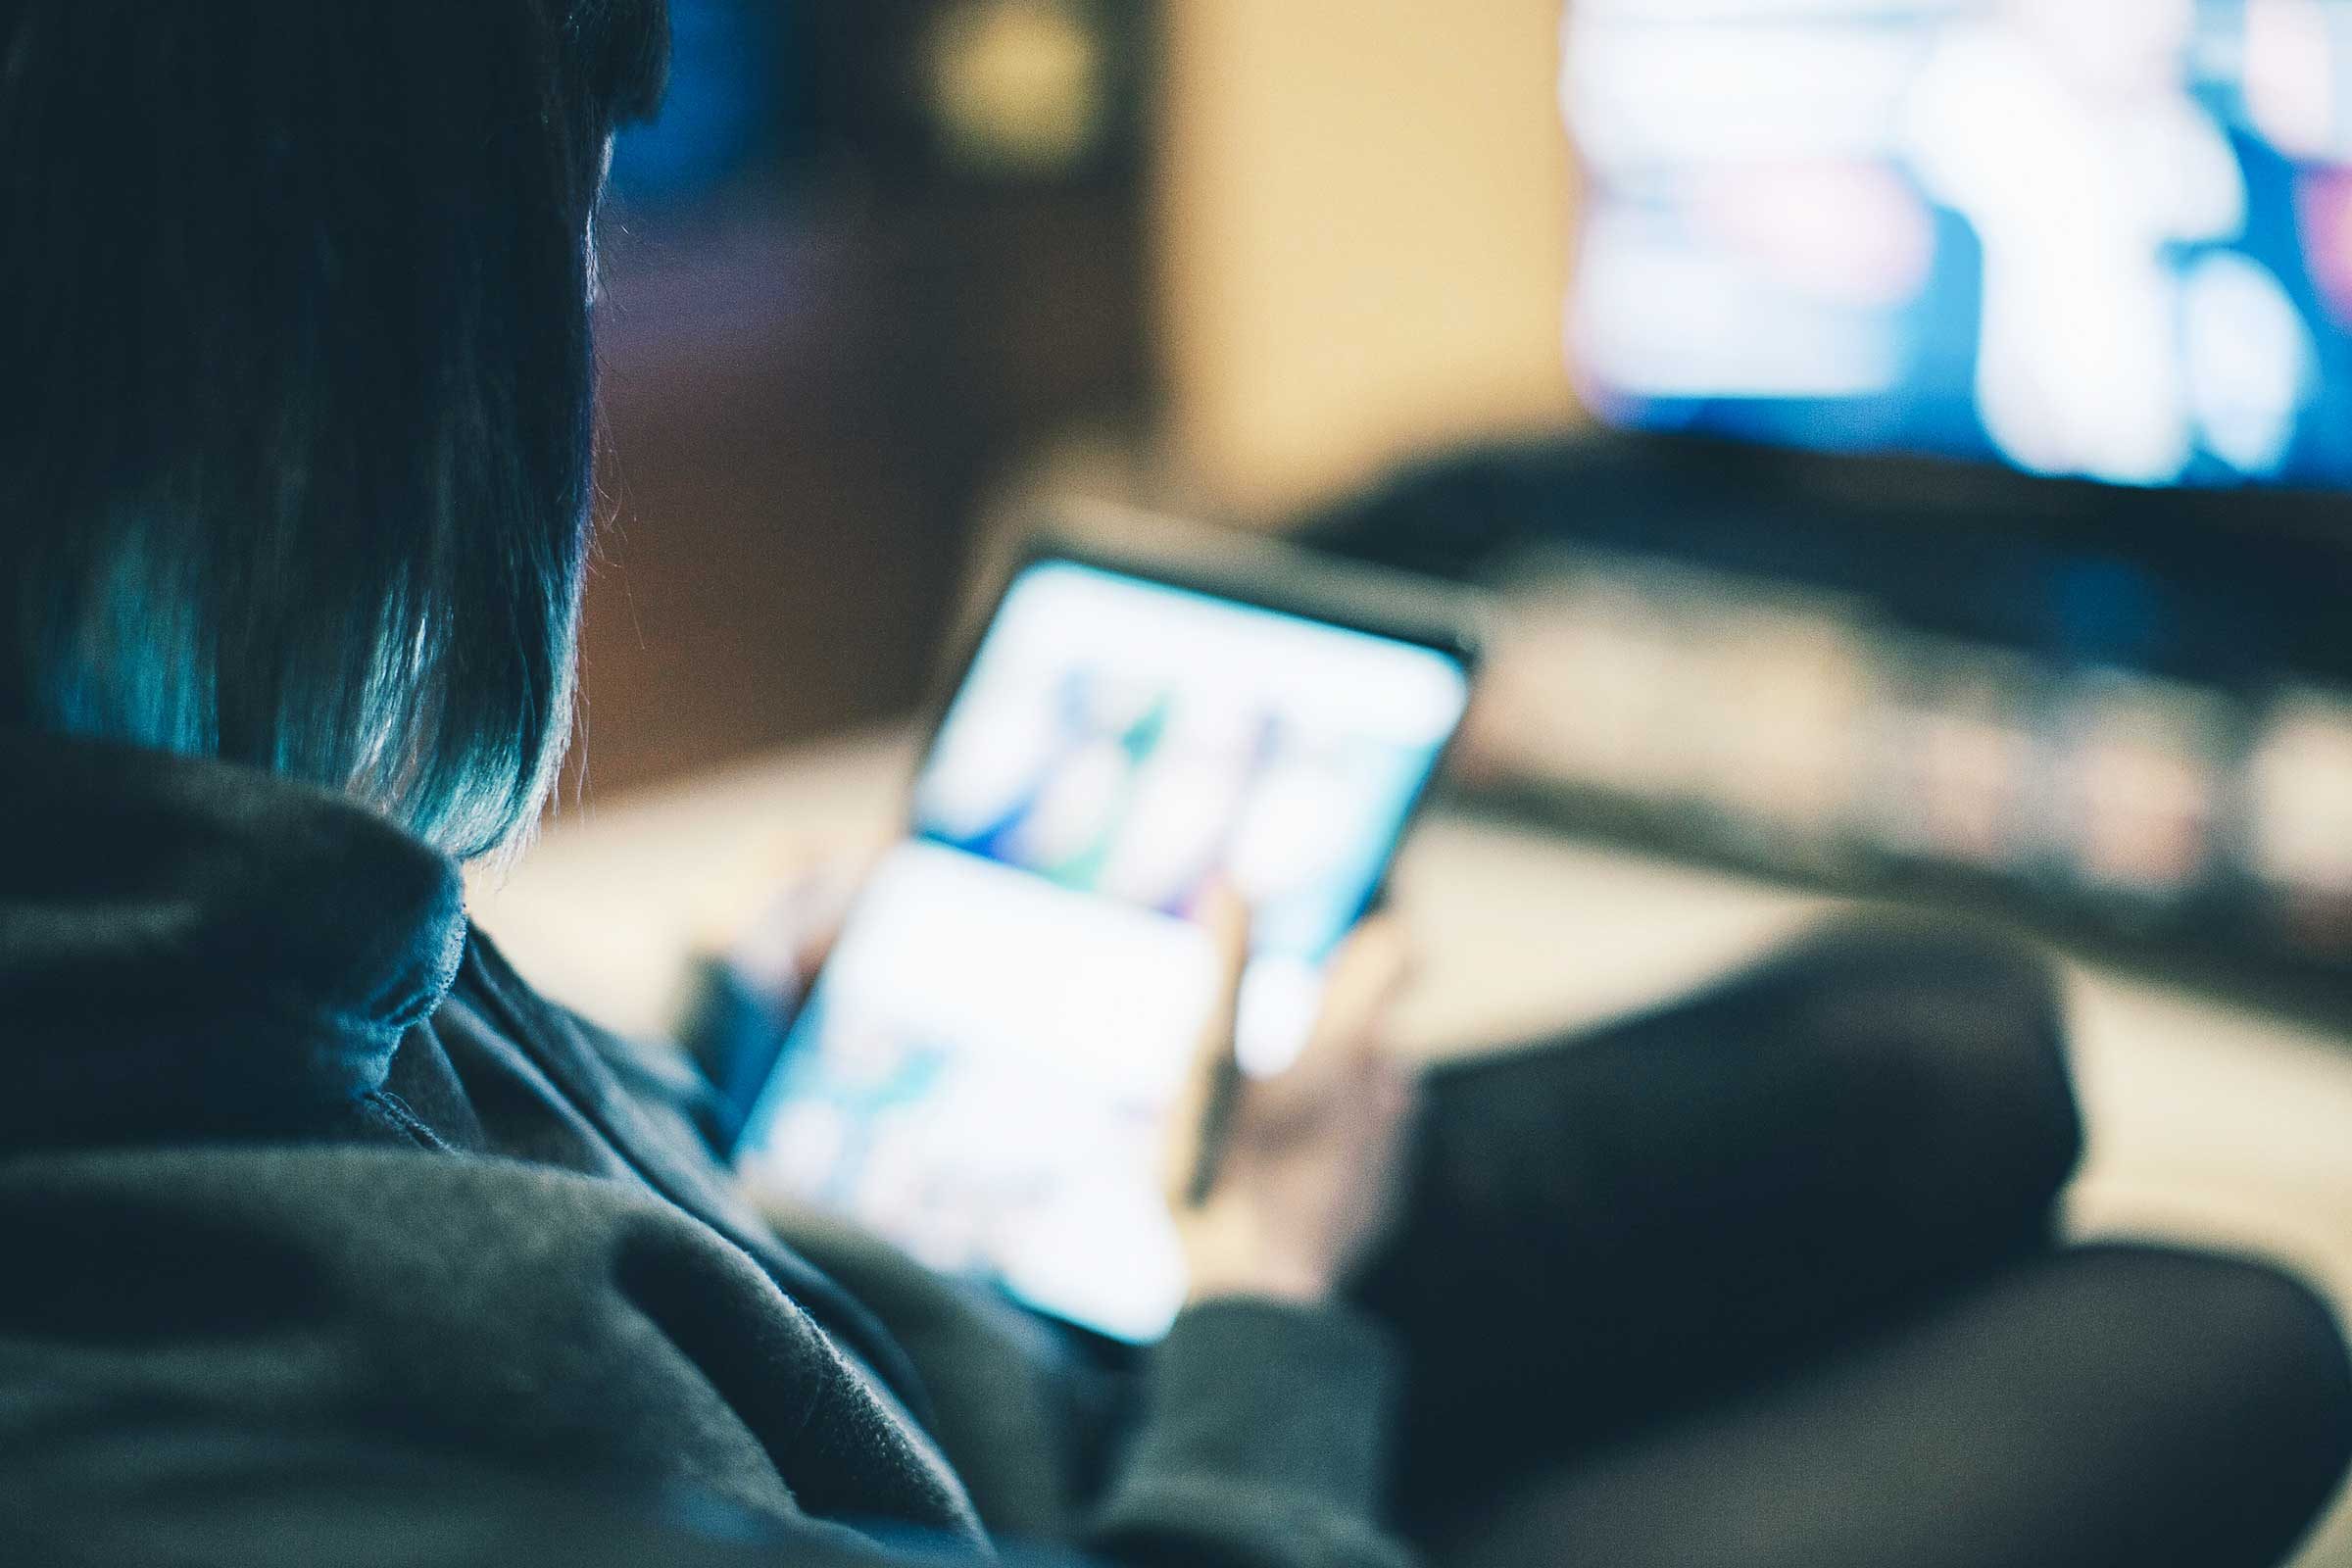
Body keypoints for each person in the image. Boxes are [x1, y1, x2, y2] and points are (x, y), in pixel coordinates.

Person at [0, 5, 2345, 1566]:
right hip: (1150, 1467)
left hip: (932, 1308)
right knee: (2222, 1330)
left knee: (1954, 1036)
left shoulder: (131, 817)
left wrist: (717, 1061)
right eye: (570, 241)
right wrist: (1266, 1306)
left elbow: (436, 1137)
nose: (588, 324)